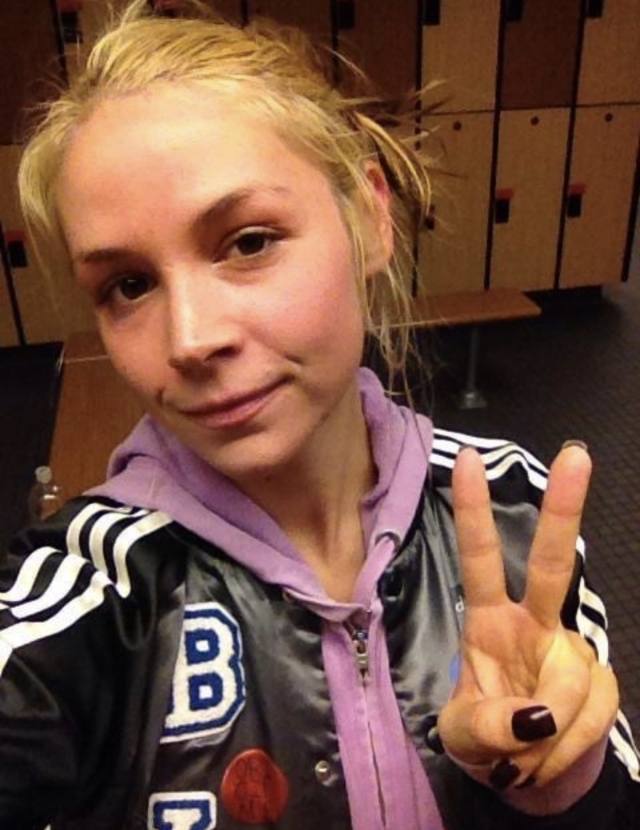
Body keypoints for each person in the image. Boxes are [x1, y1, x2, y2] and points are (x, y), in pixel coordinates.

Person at [2, 1, 638, 827]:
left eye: (248, 242)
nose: (190, 340)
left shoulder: (514, 508)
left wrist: (563, 788)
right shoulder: (94, 590)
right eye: (129, 285)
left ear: (369, 216)